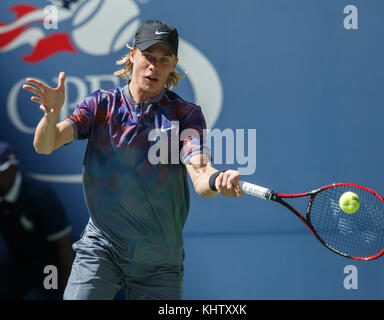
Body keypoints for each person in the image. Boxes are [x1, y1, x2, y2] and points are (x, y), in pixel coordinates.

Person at [22, 19, 243, 300]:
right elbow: (46, 144)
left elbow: (200, 175)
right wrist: (51, 116)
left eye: (164, 60)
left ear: (174, 65)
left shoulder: (185, 115)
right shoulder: (100, 105)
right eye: (148, 57)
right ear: (132, 55)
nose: (154, 66)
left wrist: (216, 180)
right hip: (102, 248)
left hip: (159, 261)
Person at [0, 141, 74, 299]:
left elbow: (64, 247)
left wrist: (70, 294)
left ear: (14, 167)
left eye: (0, 171)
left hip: (49, 269)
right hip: (15, 266)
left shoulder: (41, 195)